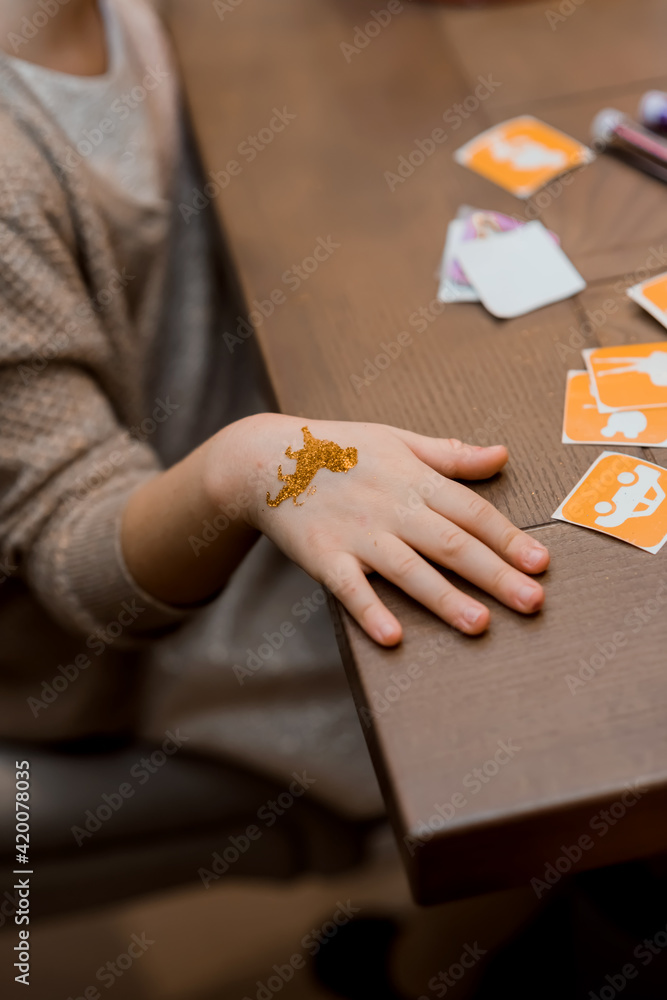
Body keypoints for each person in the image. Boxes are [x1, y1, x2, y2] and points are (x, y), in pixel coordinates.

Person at [0, 0, 549, 815]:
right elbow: (76, 559)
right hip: (151, 625)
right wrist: (249, 467)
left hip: (279, 372)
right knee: (545, 710)